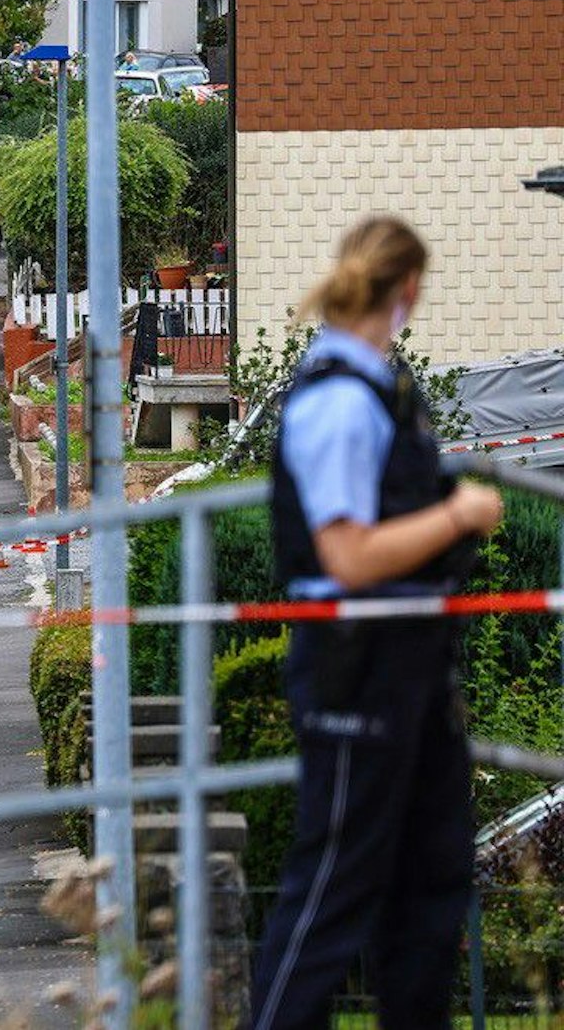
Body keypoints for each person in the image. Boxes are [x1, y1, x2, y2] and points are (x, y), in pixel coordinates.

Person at [249, 215, 504, 1030]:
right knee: (337, 881)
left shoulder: (382, 389)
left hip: (415, 664)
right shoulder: (338, 400)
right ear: (410, 289)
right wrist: (459, 513)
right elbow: (349, 555)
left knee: (432, 879)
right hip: (358, 663)